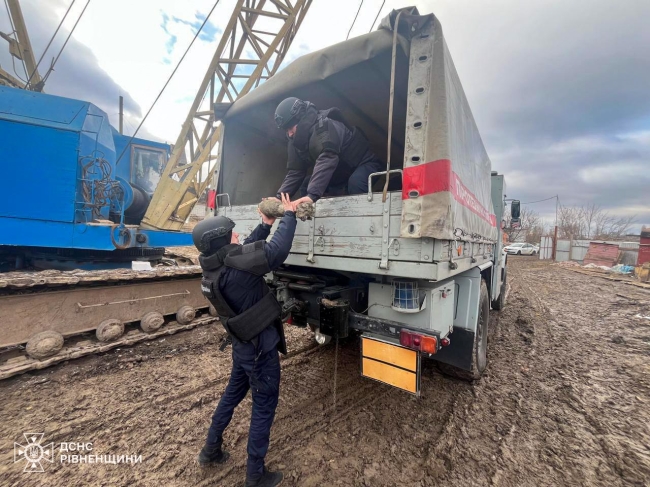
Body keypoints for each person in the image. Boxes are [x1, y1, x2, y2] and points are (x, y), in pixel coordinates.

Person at [192, 193, 297, 487]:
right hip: (260, 351)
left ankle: (210, 450)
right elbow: (275, 252)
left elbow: (240, 252)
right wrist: (288, 215)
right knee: (263, 405)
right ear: (222, 243)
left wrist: (265, 224)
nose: (237, 234)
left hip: (243, 348)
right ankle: (255, 475)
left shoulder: (212, 269)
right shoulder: (236, 267)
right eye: (231, 233)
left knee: (231, 396)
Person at [273, 97, 385, 206]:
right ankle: (309, 216)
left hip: (365, 165)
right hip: (340, 174)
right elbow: (296, 172)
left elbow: (327, 158)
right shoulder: (295, 140)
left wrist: (312, 195)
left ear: (301, 119)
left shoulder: (325, 126)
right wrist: (279, 197)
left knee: (356, 183)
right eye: (286, 130)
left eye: (290, 128)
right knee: (306, 185)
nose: (289, 134)